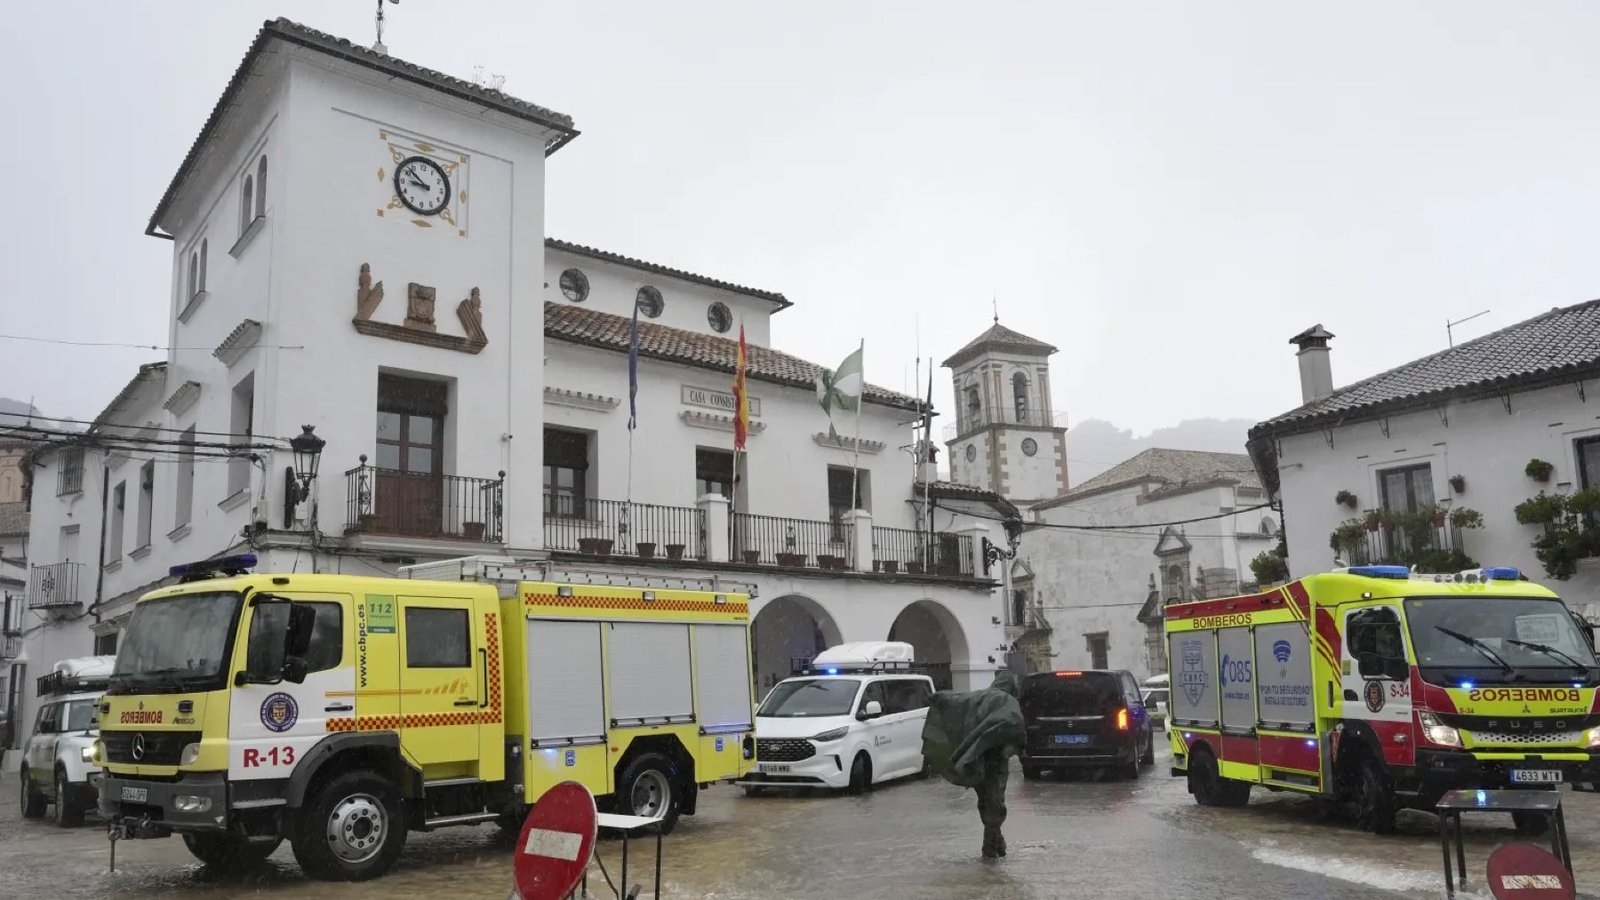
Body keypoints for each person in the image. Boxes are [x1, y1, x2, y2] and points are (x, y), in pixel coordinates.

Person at [920, 669, 1026, 859]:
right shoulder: (1008, 702)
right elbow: (1017, 731)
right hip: (994, 761)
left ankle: (994, 843)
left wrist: (938, 698)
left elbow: (957, 702)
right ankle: (991, 845)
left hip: (977, 759)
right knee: (994, 800)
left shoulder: (980, 698)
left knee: (986, 800)